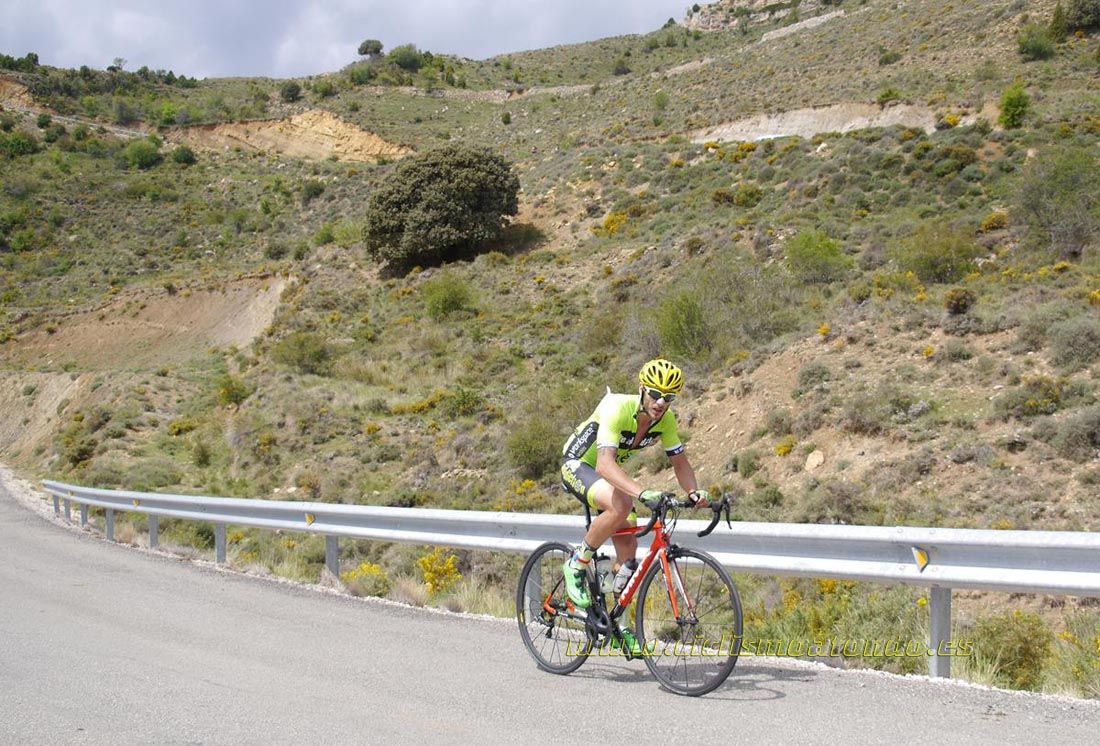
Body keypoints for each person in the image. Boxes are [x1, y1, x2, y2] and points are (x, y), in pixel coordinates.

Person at [559, 358, 710, 655]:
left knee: (628, 559)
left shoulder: (665, 420)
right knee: (624, 503)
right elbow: (604, 464)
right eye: (655, 393)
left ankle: (619, 625)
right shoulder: (618, 407)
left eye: (669, 397)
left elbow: (679, 462)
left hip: (607, 477)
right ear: (642, 389)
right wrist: (643, 492)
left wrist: (693, 492)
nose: (661, 402)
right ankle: (576, 563)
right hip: (578, 464)